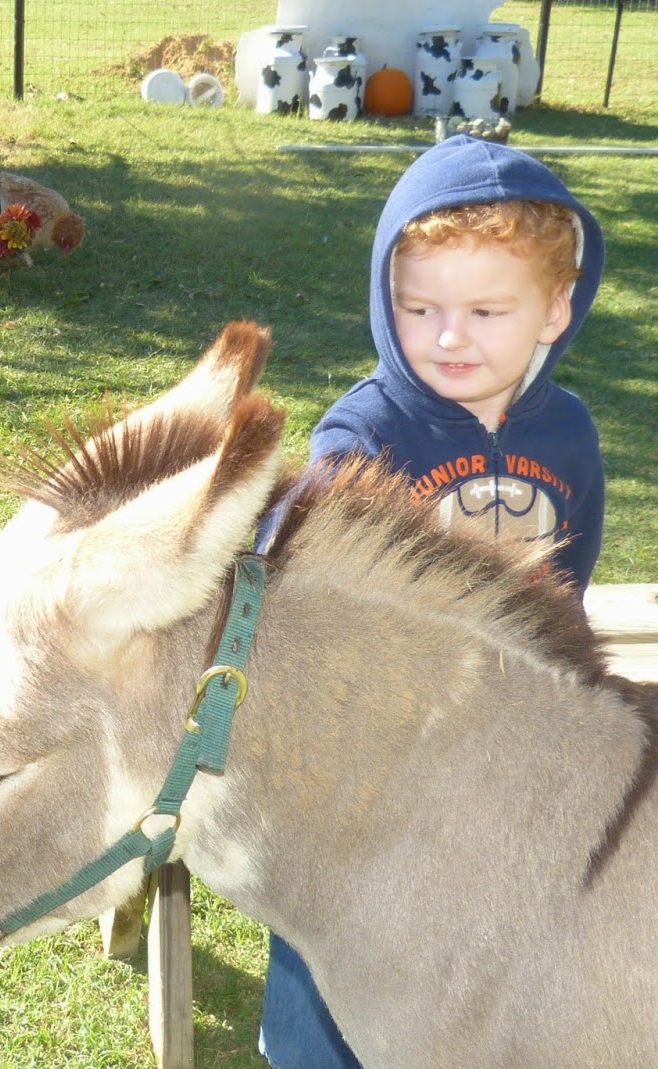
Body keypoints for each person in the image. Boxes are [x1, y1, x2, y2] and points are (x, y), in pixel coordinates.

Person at [258, 134, 606, 1068]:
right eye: (420, 307)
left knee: (478, 931)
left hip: (504, 739)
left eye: (488, 309)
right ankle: (308, 1050)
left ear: (554, 309)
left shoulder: (568, 432)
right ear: (386, 297)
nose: (451, 335)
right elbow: (304, 597)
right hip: (371, 747)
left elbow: (569, 579)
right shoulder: (364, 434)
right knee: (336, 918)